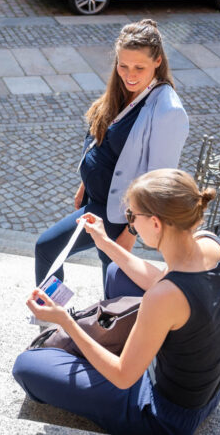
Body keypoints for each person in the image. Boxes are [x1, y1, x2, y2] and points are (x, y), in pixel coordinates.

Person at [13, 169, 220, 435]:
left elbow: (123, 376)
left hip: (164, 415)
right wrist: (105, 242)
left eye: (132, 216)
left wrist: (64, 319)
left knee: (26, 366)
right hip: (208, 390)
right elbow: (163, 281)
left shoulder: (164, 297)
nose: (129, 221)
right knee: (116, 272)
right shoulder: (210, 243)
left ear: (155, 223)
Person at [34, 19, 188, 296]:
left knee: (48, 247)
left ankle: (55, 312)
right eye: (122, 65)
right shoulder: (126, 91)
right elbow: (101, 140)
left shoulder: (168, 111)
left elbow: (158, 183)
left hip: (117, 211)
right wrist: (85, 184)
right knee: (112, 274)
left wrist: (131, 232)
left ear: (158, 62)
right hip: (98, 198)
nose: (129, 74)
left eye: (139, 67)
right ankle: (103, 323)